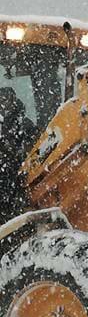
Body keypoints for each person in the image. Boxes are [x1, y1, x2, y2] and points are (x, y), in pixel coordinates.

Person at [0, 86, 37, 224]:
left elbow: (33, 150)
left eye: (5, 100)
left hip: (17, 185)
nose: (3, 105)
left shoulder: (24, 125)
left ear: (13, 101)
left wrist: (14, 155)